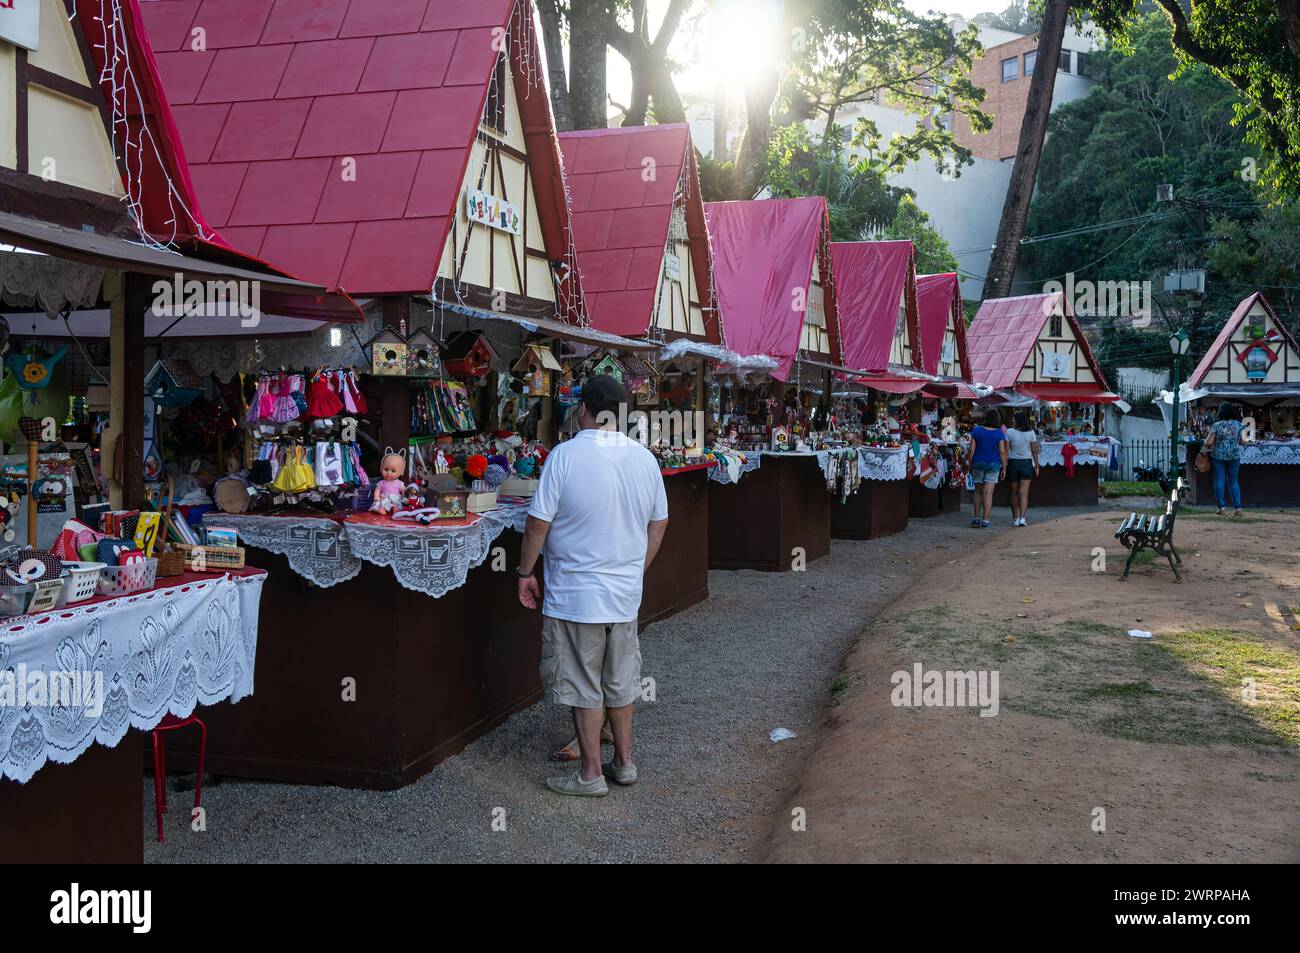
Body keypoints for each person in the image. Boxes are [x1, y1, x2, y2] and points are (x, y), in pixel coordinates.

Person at [517, 374, 669, 797]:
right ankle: (623, 763)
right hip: (623, 594)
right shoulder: (644, 459)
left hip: (576, 595)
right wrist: (636, 568)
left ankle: (590, 775)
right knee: (620, 682)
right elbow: (659, 523)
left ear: (583, 408)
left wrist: (525, 572)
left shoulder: (564, 456)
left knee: (584, 685)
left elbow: (537, 524)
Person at [965, 409, 1006, 528]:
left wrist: (969, 463)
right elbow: (1002, 451)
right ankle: (986, 520)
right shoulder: (999, 433)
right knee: (988, 493)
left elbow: (972, 449)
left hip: (978, 463)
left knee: (977, 491)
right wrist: (1004, 467)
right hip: (993, 464)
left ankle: (976, 518)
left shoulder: (977, 430)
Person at [1204, 401, 1245, 516]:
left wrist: (1207, 439)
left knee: (1219, 480)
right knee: (1234, 481)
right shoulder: (1238, 425)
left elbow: (1209, 442)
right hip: (1234, 456)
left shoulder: (1216, 425)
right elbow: (1242, 442)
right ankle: (1238, 509)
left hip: (1218, 457)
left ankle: (1221, 508)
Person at [1004, 411, 1041, 527]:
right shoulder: (1031, 433)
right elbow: (1034, 451)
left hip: (1013, 463)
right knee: (1023, 493)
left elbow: (1006, 451)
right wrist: (1037, 465)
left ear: (1017, 420)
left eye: (1014, 419)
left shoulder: (1009, 432)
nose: (1013, 421)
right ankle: (1022, 518)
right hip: (1026, 463)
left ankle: (1015, 518)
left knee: (1014, 492)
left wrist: (1004, 466)